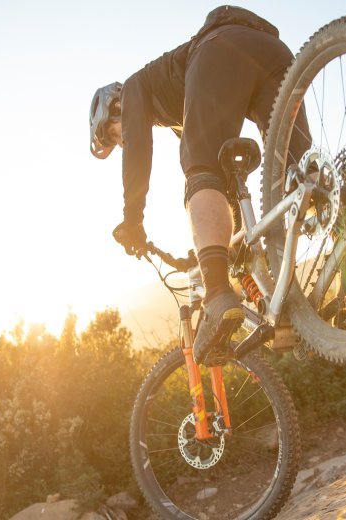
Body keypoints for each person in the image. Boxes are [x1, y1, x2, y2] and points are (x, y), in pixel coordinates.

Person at [89, 5, 309, 365]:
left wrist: (133, 221)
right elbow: (224, 195)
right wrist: (221, 243)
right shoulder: (183, 108)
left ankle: (218, 296)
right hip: (273, 53)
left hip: (221, 47)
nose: (123, 140)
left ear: (113, 110)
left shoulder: (133, 88)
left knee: (199, 170)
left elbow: (139, 155)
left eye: (114, 136)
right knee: (301, 176)